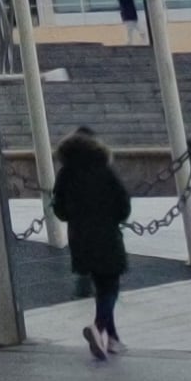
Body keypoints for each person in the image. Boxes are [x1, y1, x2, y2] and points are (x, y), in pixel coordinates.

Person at [51, 124, 134, 357]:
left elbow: (59, 209)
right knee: (111, 287)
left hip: (80, 237)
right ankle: (97, 327)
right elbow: (123, 204)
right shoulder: (104, 169)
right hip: (107, 235)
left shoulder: (65, 173)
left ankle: (112, 339)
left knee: (101, 287)